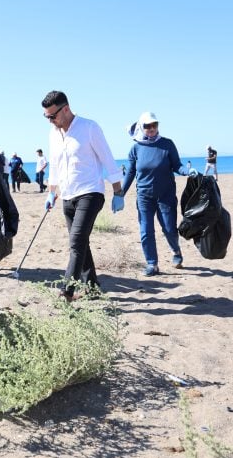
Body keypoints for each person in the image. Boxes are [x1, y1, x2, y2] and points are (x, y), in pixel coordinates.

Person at [42, 90, 123, 301]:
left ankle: (66, 292)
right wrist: (51, 193)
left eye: (52, 116)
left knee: (76, 242)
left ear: (66, 109)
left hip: (90, 192)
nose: (50, 121)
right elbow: (55, 165)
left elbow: (107, 159)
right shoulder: (53, 134)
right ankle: (93, 288)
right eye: (46, 117)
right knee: (81, 243)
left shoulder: (89, 128)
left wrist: (118, 191)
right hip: (67, 195)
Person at [121, 112, 187, 276]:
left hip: (166, 195)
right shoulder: (136, 148)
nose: (151, 128)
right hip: (144, 197)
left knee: (169, 229)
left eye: (154, 125)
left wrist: (186, 171)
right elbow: (130, 173)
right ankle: (152, 264)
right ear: (141, 127)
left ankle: (176, 251)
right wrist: (119, 194)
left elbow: (177, 165)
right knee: (146, 231)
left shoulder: (167, 144)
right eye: (147, 126)